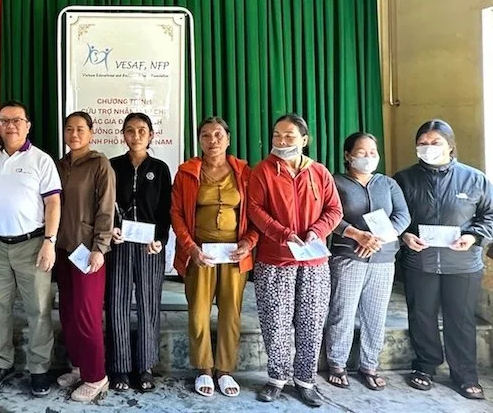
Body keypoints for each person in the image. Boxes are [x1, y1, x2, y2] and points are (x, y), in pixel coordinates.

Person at [248, 114, 343, 408]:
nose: (281, 140)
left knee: (311, 322)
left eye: (289, 135)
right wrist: (284, 234)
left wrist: (317, 231)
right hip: (275, 260)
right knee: (275, 322)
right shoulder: (263, 171)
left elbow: (334, 210)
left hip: (314, 262)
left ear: (304, 139)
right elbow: (255, 209)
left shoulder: (319, 172)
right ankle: (276, 378)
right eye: (277, 135)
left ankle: (305, 380)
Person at [395, 119, 493, 400]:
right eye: (422, 143)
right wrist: (404, 235)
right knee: (421, 315)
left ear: (450, 146)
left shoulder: (475, 179)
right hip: (420, 260)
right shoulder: (404, 179)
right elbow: (395, 215)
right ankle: (425, 366)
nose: (428, 148)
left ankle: (465, 374)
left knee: (460, 319)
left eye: (435, 142)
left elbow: (490, 215)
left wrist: (473, 236)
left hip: (462, 263)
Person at [0, 100, 61, 397]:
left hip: (33, 245)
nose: (10, 126)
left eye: (17, 120)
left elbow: (53, 203)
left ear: (28, 125)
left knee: (37, 309)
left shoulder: (42, 160)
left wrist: (50, 242)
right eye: (4, 121)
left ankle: (39, 369)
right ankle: (1, 362)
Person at [169, 117, 257, 399]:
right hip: (200, 253)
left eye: (218, 135)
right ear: (199, 141)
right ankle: (204, 368)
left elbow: (256, 213)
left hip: (234, 254)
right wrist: (190, 248)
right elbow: (176, 214)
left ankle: (225, 370)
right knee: (198, 312)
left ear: (228, 139)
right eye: (206, 135)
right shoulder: (186, 172)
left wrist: (248, 242)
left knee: (231, 312)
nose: (212, 140)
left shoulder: (244, 172)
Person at [325, 132, 409, 391]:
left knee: (376, 315)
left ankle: (369, 365)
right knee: (342, 312)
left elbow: (402, 215)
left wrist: (378, 239)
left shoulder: (388, 184)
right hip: (348, 257)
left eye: (373, 152)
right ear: (348, 155)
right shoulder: (335, 182)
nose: (368, 157)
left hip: (383, 259)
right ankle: (337, 363)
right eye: (361, 152)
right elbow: (329, 216)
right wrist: (357, 235)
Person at [106, 113, 171, 393]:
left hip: (149, 247)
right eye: (130, 130)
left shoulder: (160, 168)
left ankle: (145, 367)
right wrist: (110, 229)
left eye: (142, 130)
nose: (136, 136)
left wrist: (160, 240)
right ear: (123, 135)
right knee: (117, 304)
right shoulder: (112, 166)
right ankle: (120, 367)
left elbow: (165, 210)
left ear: (151, 135)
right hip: (119, 244)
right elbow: (105, 205)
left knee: (148, 305)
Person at [55, 111, 114, 402]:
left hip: (88, 252)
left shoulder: (99, 164)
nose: (74, 134)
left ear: (91, 132)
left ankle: (97, 377)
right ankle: (79, 367)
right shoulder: (59, 164)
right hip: (63, 249)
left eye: (80, 129)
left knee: (87, 314)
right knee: (68, 311)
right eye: (69, 129)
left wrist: (99, 247)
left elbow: (106, 208)